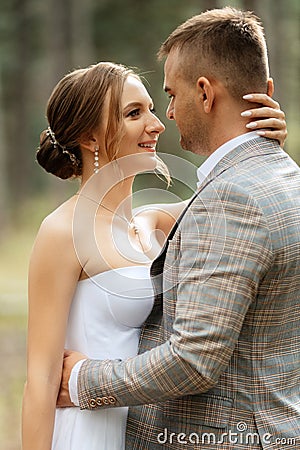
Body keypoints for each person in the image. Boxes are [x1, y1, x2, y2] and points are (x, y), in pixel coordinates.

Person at [56, 7, 300, 450]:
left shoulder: (234, 198)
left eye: (169, 96)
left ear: (205, 93)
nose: (166, 115)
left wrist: (80, 381)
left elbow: (193, 360)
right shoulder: (283, 178)